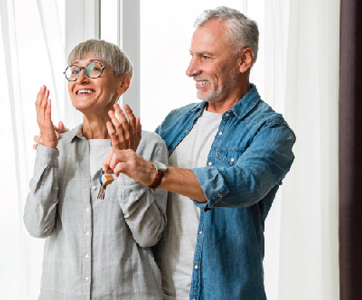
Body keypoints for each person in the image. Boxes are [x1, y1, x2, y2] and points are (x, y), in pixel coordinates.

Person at [103, 7, 296, 300]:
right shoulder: (175, 121)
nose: (191, 69)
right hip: (156, 291)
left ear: (244, 59)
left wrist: (154, 174)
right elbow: (136, 186)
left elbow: (241, 184)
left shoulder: (270, 130)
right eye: (192, 56)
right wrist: (75, 142)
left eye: (205, 57)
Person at [24, 39, 169, 299]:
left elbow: (149, 235)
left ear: (123, 83)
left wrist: (128, 163)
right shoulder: (58, 147)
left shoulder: (148, 146)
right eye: (74, 70)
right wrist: (48, 148)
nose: (81, 78)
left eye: (94, 69)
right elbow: (37, 226)